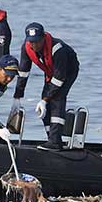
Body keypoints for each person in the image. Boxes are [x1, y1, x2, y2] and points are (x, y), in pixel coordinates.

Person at [12, 22, 79, 150]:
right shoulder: (26, 48)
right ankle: (51, 138)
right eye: (31, 42)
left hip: (68, 71)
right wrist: (17, 95)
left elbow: (59, 79)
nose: (34, 45)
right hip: (50, 71)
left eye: (37, 41)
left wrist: (44, 100)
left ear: (43, 38)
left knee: (57, 98)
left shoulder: (58, 49)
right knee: (45, 101)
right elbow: (24, 72)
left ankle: (55, 142)